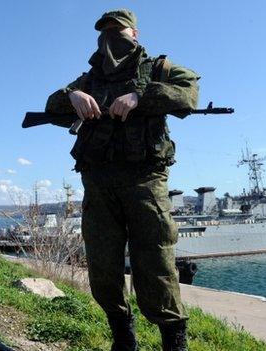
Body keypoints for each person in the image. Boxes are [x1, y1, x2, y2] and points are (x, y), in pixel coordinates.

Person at [44, 9, 199, 351]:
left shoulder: (158, 68)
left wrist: (141, 96)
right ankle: (123, 338)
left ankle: (174, 341)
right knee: (102, 266)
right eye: (105, 32)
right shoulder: (88, 79)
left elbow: (188, 93)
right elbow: (51, 104)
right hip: (98, 182)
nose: (112, 36)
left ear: (135, 34)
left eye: (120, 30)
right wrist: (71, 96)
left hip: (145, 180)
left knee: (156, 263)